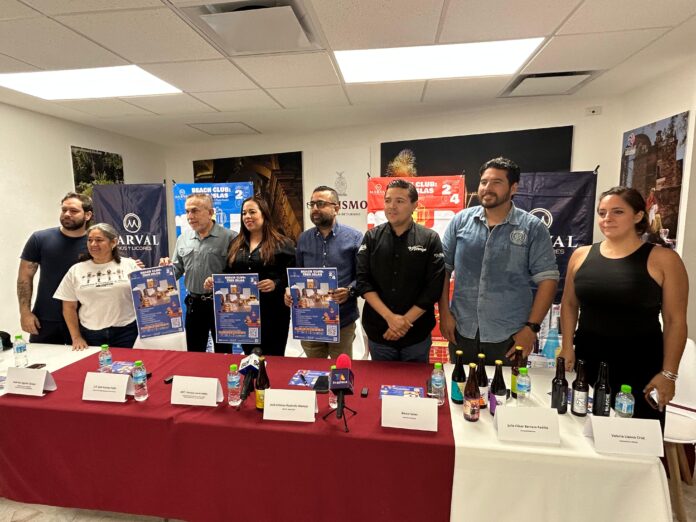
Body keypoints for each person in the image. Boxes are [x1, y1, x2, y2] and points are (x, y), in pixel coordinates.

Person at [559, 186, 688, 421]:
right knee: (583, 429)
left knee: (636, 437)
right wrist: (567, 346)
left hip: (640, 367)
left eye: (617, 212)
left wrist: (669, 374)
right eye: (602, 213)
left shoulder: (664, 259)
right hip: (589, 362)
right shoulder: (581, 255)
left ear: (638, 216)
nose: (607, 218)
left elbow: (675, 321)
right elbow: (569, 304)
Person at [439, 157, 559, 365]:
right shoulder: (461, 221)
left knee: (507, 387)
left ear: (513, 188)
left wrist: (531, 328)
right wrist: (444, 314)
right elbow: (443, 270)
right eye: (484, 182)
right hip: (462, 330)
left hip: (510, 336)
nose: (487, 188)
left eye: (496, 182)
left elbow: (548, 280)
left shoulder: (532, 227)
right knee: (460, 384)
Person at [356, 179, 445, 362]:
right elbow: (363, 282)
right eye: (388, 200)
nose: (392, 206)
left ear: (414, 205)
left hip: (416, 335)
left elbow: (433, 288)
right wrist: (390, 318)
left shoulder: (430, 238)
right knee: (380, 379)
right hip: (380, 332)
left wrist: (404, 322)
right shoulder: (371, 237)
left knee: (416, 380)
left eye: (400, 201)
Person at [207, 195, 295, 356]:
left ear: (264, 214)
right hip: (244, 311)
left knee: (274, 358)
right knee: (250, 357)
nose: (247, 216)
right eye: (244, 213)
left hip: (273, 312)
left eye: (252, 212)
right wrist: (215, 280)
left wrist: (276, 283)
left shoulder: (282, 243)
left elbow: (293, 275)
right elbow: (229, 272)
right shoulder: (235, 243)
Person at [283, 186, 363, 359]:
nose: (314, 209)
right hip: (310, 319)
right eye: (312, 204)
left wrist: (349, 291)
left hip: (342, 319)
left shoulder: (355, 238)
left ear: (336, 208)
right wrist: (290, 291)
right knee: (314, 370)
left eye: (320, 204)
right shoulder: (304, 238)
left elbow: (363, 277)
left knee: (340, 371)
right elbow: (297, 274)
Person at [160, 193, 235, 353]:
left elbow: (238, 274)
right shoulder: (183, 238)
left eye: (194, 211)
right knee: (194, 352)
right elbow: (177, 269)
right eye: (187, 211)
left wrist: (220, 280)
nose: (189, 216)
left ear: (210, 212)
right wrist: (164, 270)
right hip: (194, 304)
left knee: (224, 353)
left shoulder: (231, 237)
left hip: (222, 304)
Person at [17, 192, 93, 344]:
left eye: (73, 211)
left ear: (87, 215)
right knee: (42, 358)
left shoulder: (95, 243)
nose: (67, 214)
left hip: (86, 318)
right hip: (46, 319)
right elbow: (24, 278)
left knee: (86, 358)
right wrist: (25, 313)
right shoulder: (40, 239)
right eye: (64, 210)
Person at [54, 223, 140, 349]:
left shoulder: (129, 265)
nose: (93, 244)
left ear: (113, 242)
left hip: (127, 332)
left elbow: (146, 294)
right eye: (90, 240)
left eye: (99, 240)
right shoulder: (76, 270)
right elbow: (69, 307)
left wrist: (164, 269)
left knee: (128, 361)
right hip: (91, 334)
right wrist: (76, 337)